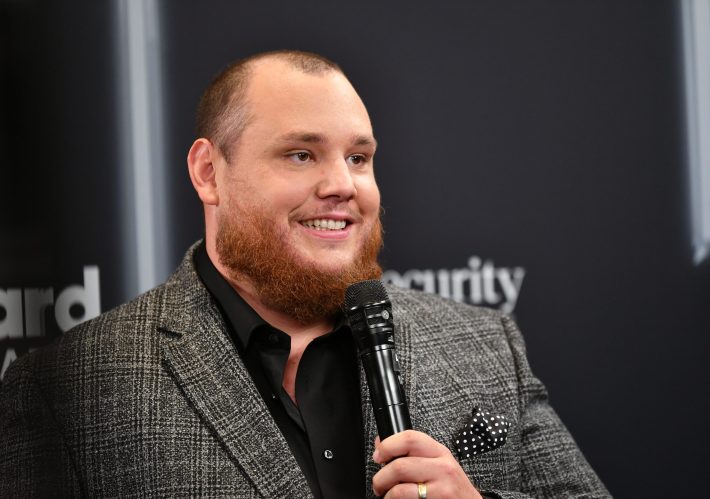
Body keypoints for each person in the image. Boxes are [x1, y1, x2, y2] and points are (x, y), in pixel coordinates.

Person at [0, 50, 610, 498]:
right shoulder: (67, 390)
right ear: (209, 173)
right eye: (301, 154)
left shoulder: (483, 345)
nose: (342, 184)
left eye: (358, 157)